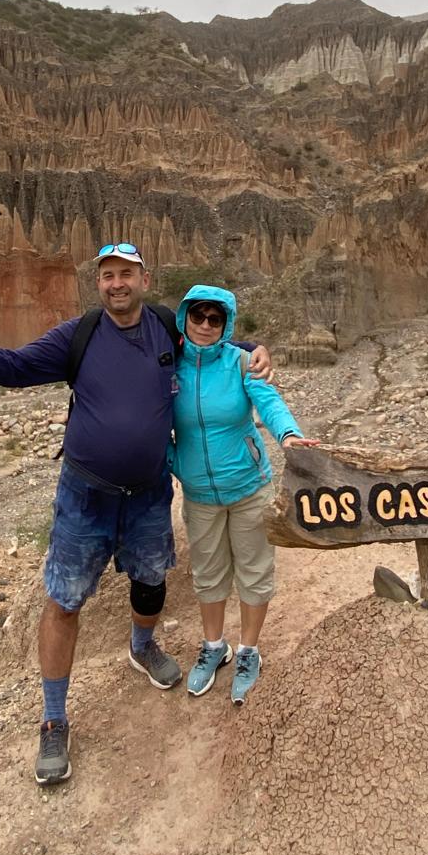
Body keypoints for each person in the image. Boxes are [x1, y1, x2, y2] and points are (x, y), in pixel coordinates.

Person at [0, 244, 271, 785]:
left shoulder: (165, 328)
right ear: (98, 284)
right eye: (107, 276)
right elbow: (12, 369)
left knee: (151, 581)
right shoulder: (75, 337)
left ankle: (142, 645)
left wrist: (253, 349)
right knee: (64, 599)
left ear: (145, 280)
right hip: (86, 495)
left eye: (125, 273)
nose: (116, 283)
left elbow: (210, 344)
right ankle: (54, 719)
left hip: (150, 493)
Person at [170, 284, 318, 705]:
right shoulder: (171, 368)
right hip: (199, 495)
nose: (204, 325)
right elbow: (155, 420)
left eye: (214, 319)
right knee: (209, 573)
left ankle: (249, 651)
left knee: (254, 570)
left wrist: (289, 435)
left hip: (249, 487)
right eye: (197, 316)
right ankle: (214, 647)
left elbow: (269, 403)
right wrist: (172, 461)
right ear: (184, 318)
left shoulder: (240, 363)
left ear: (226, 325)